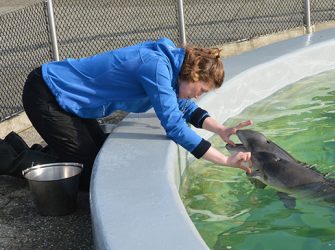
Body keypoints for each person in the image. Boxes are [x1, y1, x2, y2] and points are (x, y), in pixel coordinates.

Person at [18, 37, 252, 189]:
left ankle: (36, 151)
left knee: (99, 158)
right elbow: (175, 127)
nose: (198, 96)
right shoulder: (156, 66)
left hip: (71, 100)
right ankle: (8, 157)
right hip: (48, 92)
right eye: (200, 90)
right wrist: (224, 160)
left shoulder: (172, 67)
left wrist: (220, 129)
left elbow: (185, 107)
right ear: (193, 76)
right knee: (87, 175)